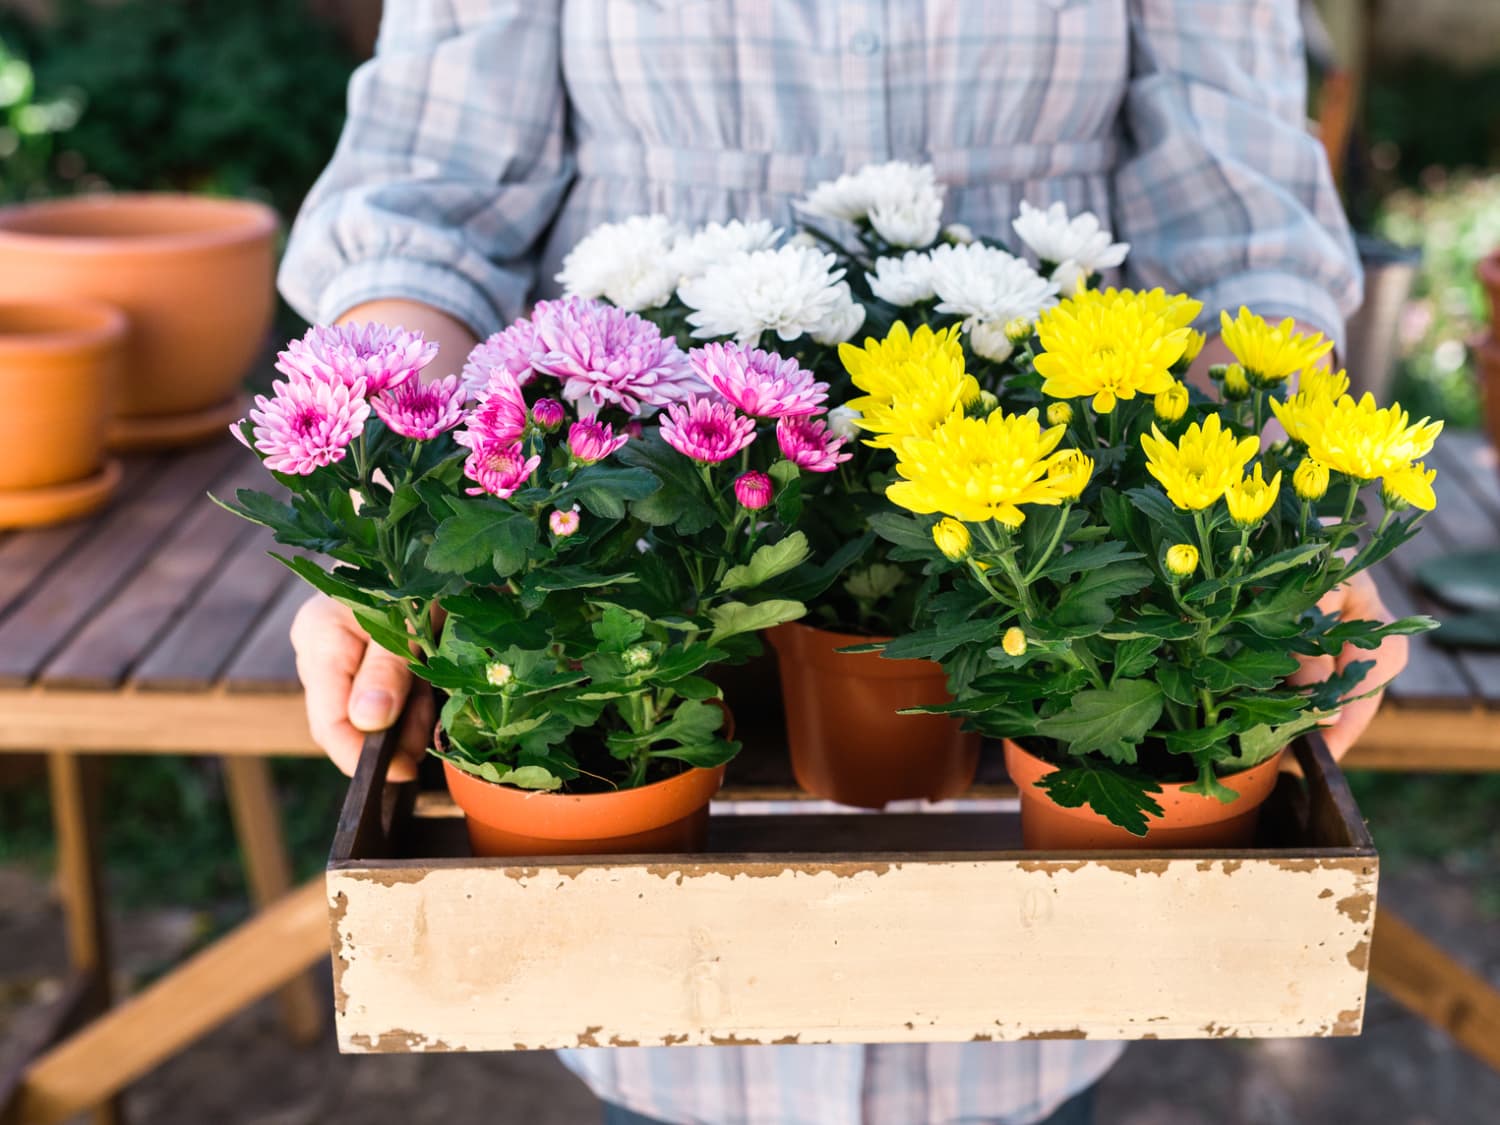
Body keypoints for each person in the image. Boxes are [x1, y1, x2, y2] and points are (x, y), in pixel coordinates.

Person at [279, 3, 1406, 1122]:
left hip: (1035, 572)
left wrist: (1274, 523)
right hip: (638, 559)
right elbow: (423, 212)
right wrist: (390, 501)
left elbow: (1240, 242)